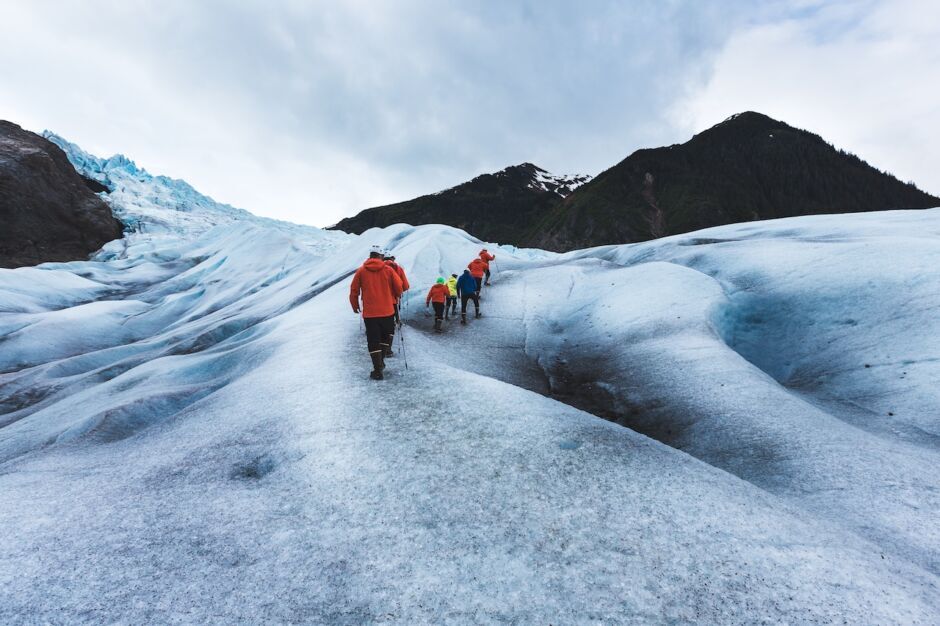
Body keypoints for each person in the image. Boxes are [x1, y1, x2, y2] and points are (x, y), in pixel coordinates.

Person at [350, 245, 403, 380]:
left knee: (373, 340)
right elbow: (399, 287)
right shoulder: (388, 270)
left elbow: (354, 290)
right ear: (380, 256)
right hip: (387, 311)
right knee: (385, 337)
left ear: (370, 256)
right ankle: (381, 362)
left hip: (370, 313)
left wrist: (355, 305)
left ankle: (377, 369)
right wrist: (396, 295)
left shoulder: (361, 271)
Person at [383, 253, 410, 356]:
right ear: (392, 258)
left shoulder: (379, 268)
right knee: (390, 323)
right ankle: (388, 349)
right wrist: (398, 292)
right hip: (393, 299)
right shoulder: (397, 268)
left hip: (378, 300)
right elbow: (405, 285)